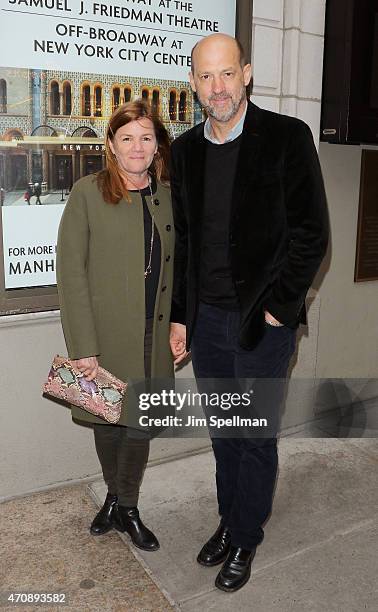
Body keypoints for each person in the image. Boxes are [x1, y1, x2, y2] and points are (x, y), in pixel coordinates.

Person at [170, 33, 329, 592]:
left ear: (247, 74)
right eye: (206, 76)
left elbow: (312, 236)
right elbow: (184, 243)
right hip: (208, 320)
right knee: (223, 434)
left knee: (254, 434)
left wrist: (280, 311)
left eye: (227, 74)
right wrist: (179, 317)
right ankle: (230, 519)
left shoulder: (287, 138)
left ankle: (244, 538)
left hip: (262, 322)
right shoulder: (185, 151)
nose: (218, 87)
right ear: (193, 83)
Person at [56, 100, 174, 551]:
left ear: (156, 144)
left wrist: (180, 322)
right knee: (107, 421)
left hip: (153, 334)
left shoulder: (167, 194)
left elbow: (178, 267)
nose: (137, 146)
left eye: (146, 136)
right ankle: (118, 499)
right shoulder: (88, 191)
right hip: (102, 338)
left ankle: (126, 505)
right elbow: (71, 271)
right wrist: (83, 345)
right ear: (111, 144)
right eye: (127, 137)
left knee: (139, 423)